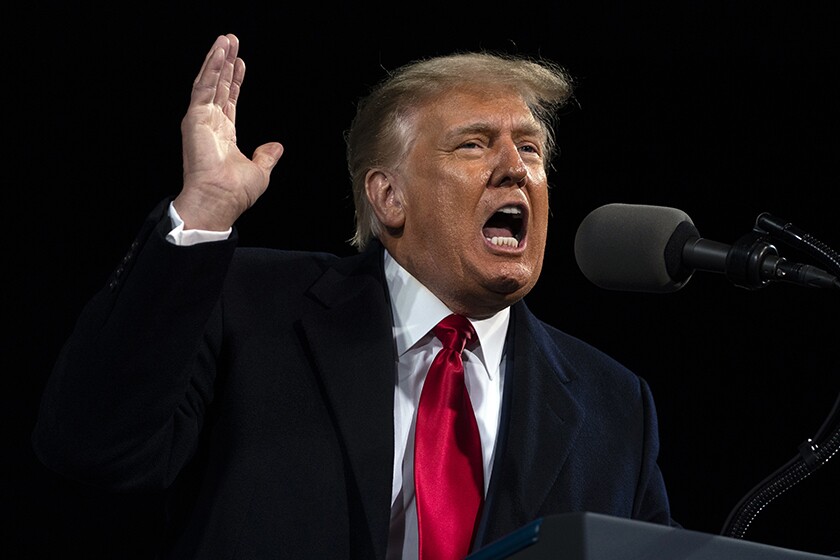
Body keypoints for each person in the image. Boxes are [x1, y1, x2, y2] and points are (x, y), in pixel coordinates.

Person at [32, 33, 677, 559]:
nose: (516, 167)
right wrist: (201, 212)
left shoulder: (614, 405)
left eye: (531, 148)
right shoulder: (250, 308)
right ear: (388, 197)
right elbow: (92, 447)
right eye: (475, 144)